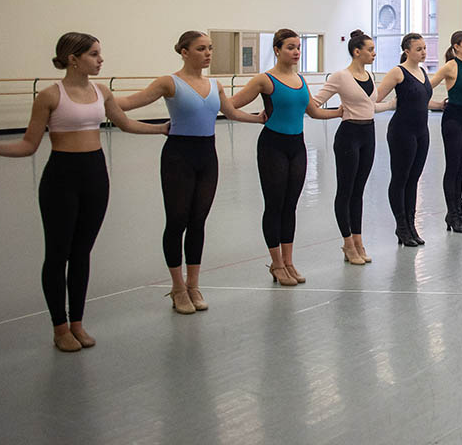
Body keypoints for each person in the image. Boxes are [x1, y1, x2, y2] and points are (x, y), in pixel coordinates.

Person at [0, 33, 168, 352]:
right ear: (74, 59)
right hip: (61, 177)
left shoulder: (102, 91)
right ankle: (59, 327)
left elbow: (125, 123)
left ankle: (77, 324)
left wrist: (163, 129)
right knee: (58, 254)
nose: (101, 60)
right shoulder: (49, 95)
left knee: (82, 252)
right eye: (94, 54)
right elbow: (29, 145)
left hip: (95, 175)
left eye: (100, 54)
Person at [117, 31, 263, 315]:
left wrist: (259, 119)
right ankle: (177, 287)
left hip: (207, 156)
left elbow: (231, 112)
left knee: (198, 221)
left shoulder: (215, 84)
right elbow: (128, 103)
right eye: (201, 49)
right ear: (184, 52)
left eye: (209, 48)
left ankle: (193, 284)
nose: (208, 53)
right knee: (177, 221)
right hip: (178, 157)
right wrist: (95, 98)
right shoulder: (168, 83)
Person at [231, 29, 342, 284]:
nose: (296, 52)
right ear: (277, 49)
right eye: (290, 47)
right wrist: (253, 119)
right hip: (272, 147)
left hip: (297, 146)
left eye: (298, 47)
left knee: (290, 206)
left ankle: (289, 261)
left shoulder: (301, 80)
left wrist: (339, 112)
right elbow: (232, 105)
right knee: (275, 204)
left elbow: (313, 111)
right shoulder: (265, 80)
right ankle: (276, 263)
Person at [315, 30, 394, 265]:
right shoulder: (340, 76)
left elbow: (371, 107)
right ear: (356, 51)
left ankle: (358, 240)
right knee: (346, 190)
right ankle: (348, 243)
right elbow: (314, 102)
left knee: (359, 191)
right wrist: (333, 114)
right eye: (370, 49)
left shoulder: (369, 75)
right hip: (349, 135)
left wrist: (393, 103)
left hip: (368, 134)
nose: (374, 53)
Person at [374, 33, 436, 248]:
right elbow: (375, 98)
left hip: (422, 131)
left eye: (425, 48)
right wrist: (389, 104)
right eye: (418, 49)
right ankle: (401, 226)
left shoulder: (423, 71)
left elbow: (424, 101)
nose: (423, 52)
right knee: (400, 178)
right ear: (406, 51)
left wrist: (443, 105)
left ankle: (411, 224)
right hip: (402, 131)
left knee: (414, 179)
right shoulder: (397, 72)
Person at [430, 31, 462, 232]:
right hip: (452, 119)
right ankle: (452, 214)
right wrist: (433, 104)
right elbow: (426, 86)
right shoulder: (451, 66)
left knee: (461, 167)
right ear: (456, 46)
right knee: (453, 167)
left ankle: (459, 214)